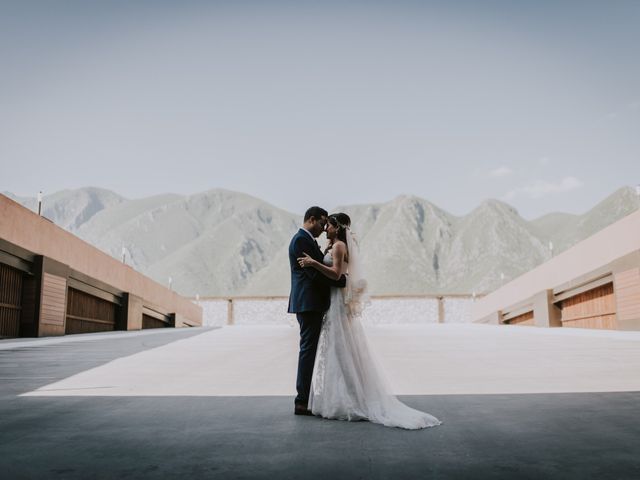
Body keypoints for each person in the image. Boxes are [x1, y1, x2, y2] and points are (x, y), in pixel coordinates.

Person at [297, 213, 442, 429]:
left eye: (328, 225)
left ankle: (348, 400)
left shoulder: (338, 247)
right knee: (337, 349)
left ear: (337, 228)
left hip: (337, 304)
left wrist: (312, 263)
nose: (325, 228)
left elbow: (337, 275)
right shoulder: (333, 246)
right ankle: (341, 397)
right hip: (332, 302)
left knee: (339, 348)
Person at [288, 206, 347, 416]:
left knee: (311, 350)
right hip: (308, 303)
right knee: (308, 351)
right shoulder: (301, 241)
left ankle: (307, 398)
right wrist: (342, 281)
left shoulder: (308, 241)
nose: (324, 229)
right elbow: (313, 274)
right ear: (311, 219)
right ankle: (301, 401)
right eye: (322, 223)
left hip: (311, 302)